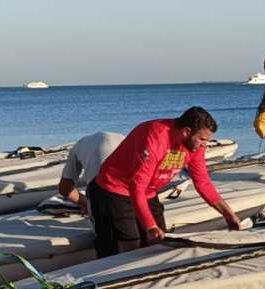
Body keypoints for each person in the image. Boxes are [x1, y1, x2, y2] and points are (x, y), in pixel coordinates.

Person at [88, 106, 241, 258]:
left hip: (147, 193)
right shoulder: (156, 137)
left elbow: (203, 183)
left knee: (160, 244)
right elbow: (137, 187)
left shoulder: (195, 147)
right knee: (130, 246)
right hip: (114, 189)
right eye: (202, 139)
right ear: (187, 131)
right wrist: (150, 225)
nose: (204, 145)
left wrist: (228, 214)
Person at [58, 131, 125, 215]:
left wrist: (85, 203)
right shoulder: (125, 138)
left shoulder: (79, 145)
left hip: (101, 192)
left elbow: (64, 188)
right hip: (126, 189)